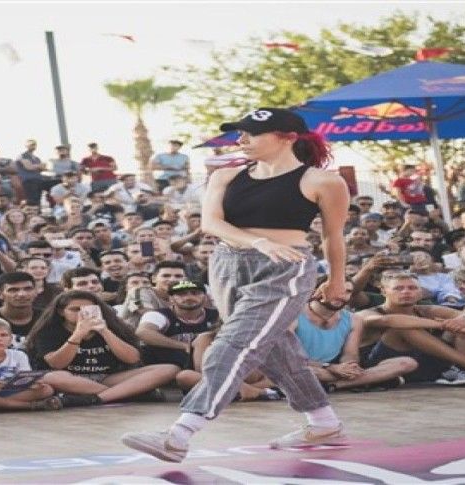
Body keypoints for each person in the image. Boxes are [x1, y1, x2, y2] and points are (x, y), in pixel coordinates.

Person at [122, 107, 351, 460]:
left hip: (285, 267)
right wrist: (258, 242)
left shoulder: (323, 181)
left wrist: (337, 280)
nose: (241, 139)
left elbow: (333, 237)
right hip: (227, 265)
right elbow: (211, 223)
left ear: (288, 137)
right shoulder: (225, 175)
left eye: (251, 133)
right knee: (274, 347)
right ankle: (323, 421)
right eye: (239, 133)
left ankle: (180, 433)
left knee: (234, 343)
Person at [26, 290, 177, 407]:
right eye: (75, 309)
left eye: (88, 309)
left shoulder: (114, 326)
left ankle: (97, 398)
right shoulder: (49, 331)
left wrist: (104, 331)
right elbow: (56, 363)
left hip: (107, 377)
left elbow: (132, 358)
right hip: (70, 379)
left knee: (169, 369)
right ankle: (126, 393)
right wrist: (78, 334)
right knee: (50, 377)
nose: (82, 313)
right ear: (61, 311)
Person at [136, 281, 219, 369]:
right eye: (181, 294)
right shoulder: (158, 315)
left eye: (195, 293)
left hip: (209, 362)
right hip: (166, 365)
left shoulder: (218, 316)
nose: (189, 297)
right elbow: (143, 332)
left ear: (205, 297)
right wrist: (184, 346)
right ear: (171, 299)